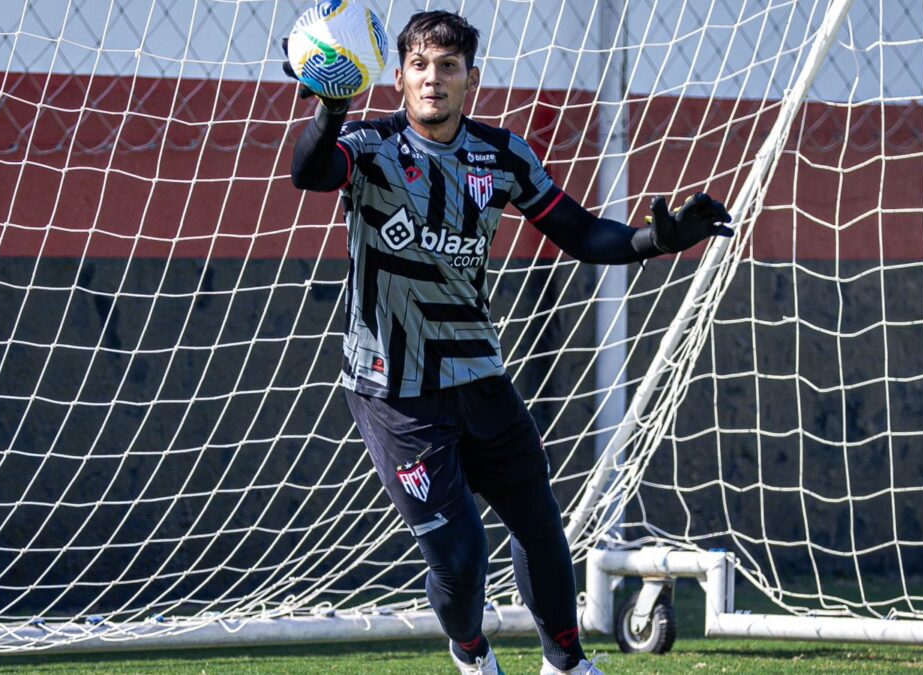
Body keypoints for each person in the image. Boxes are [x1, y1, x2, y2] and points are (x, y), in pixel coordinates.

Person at [286, 10, 731, 675]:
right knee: (461, 557)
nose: (432, 79)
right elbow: (310, 173)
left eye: (447, 66)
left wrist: (656, 240)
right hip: (393, 391)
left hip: (478, 373)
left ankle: (566, 663)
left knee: (543, 530)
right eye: (419, 66)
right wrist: (329, 107)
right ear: (399, 75)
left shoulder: (503, 154)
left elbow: (580, 234)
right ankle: (471, 654)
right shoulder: (368, 144)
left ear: (471, 77)